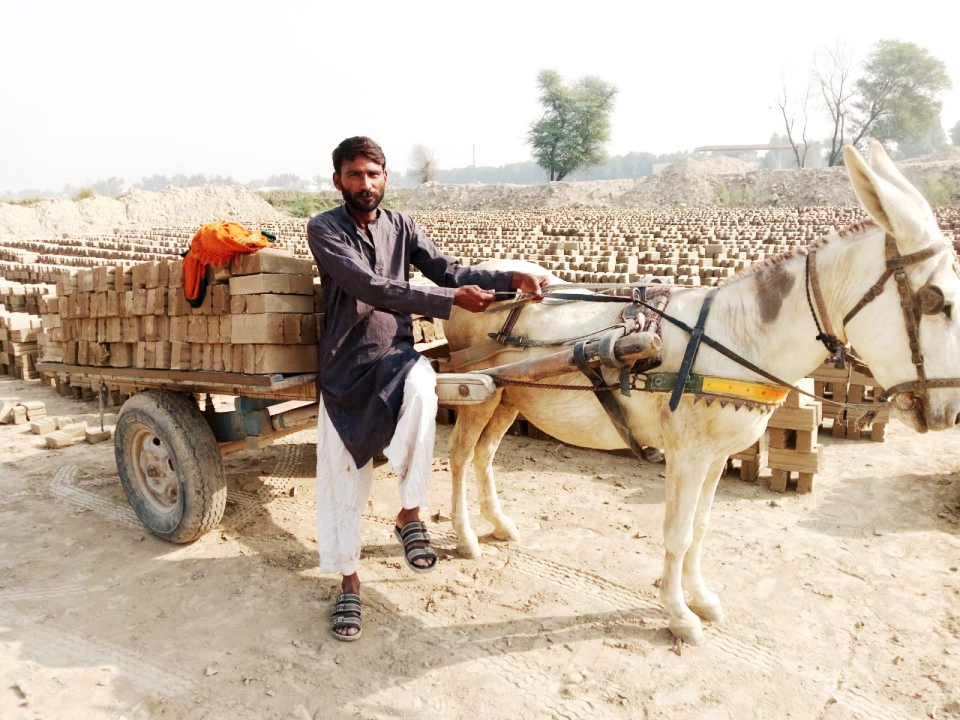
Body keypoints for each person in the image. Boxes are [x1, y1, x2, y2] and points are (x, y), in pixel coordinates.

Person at [306, 136, 547, 641]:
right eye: (354, 174)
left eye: (373, 174)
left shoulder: (402, 226)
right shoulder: (324, 228)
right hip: (346, 363)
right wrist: (447, 300)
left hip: (395, 352)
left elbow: (448, 270)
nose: (364, 183)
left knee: (423, 389)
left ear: (385, 177)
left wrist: (510, 277)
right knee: (343, 478)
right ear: (338, 180)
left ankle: (409, 513)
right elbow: (367, 285)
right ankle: (349, 582)